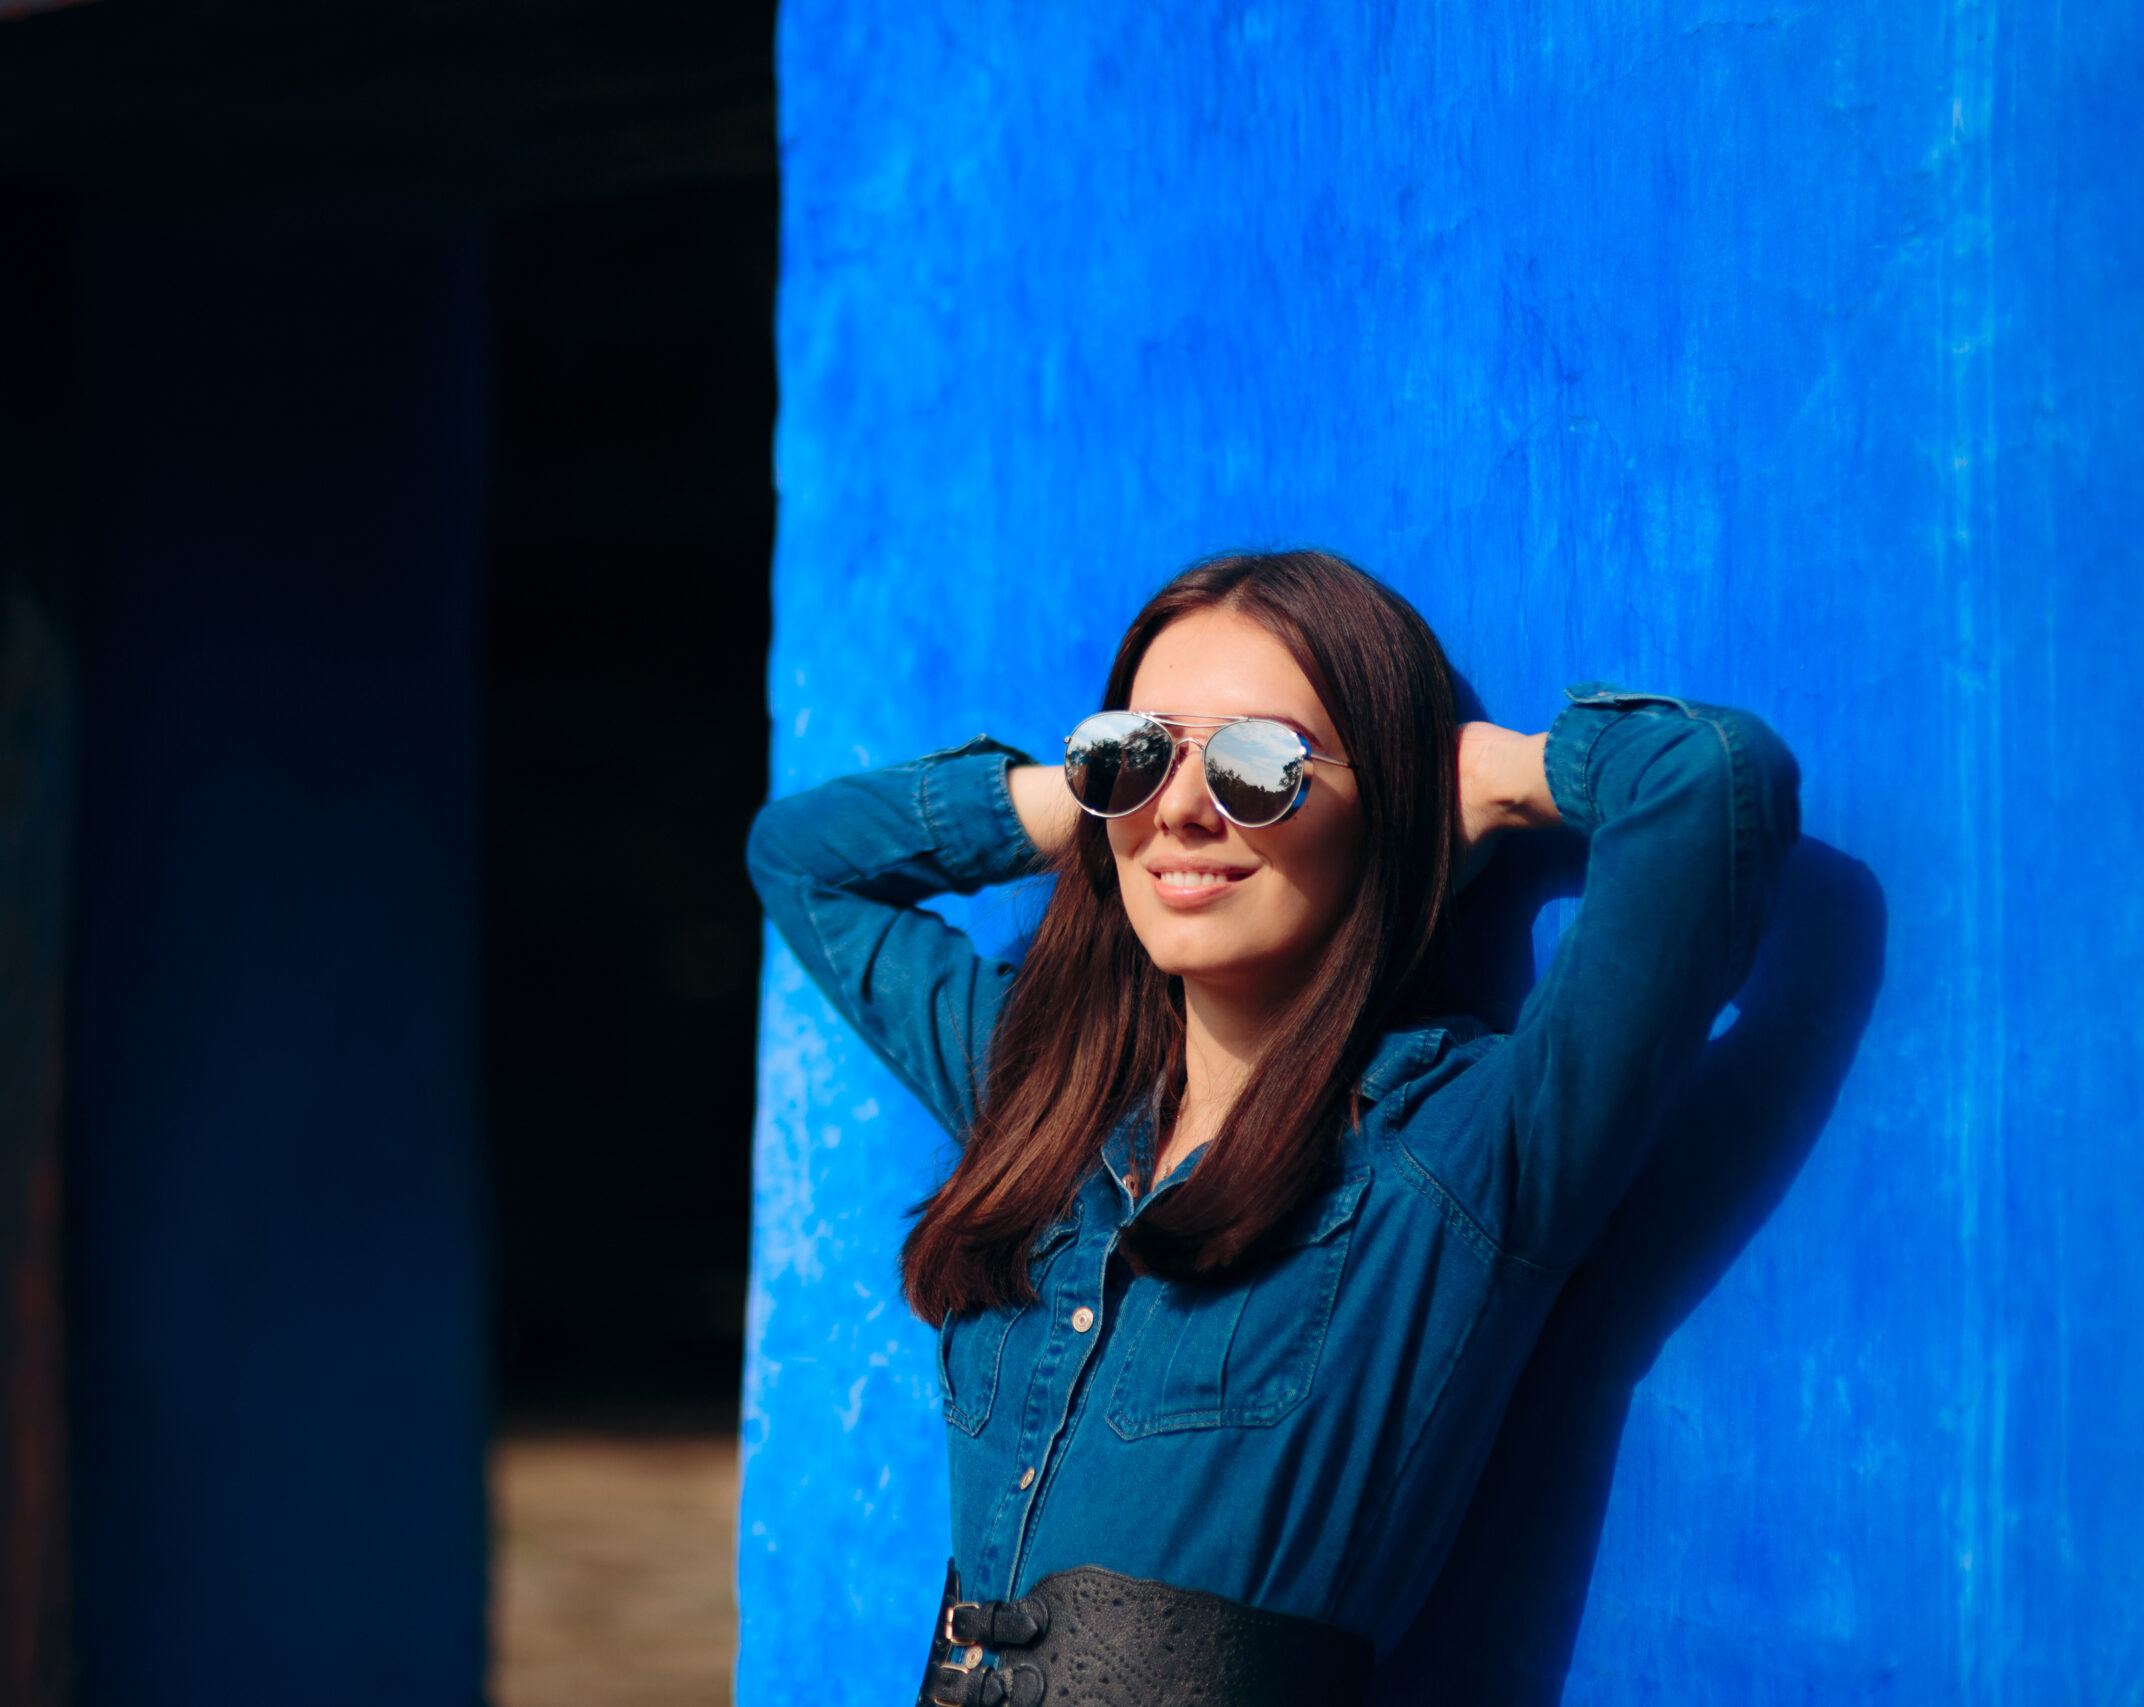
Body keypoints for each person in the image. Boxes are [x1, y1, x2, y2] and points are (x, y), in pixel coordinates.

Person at [744, 549, 1799, 1704]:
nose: (1188, 807)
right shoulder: (1040, 1100)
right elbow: (799, 859)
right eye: (1136, 751)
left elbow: (1705, 781)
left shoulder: (1460, 1151)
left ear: (1384, 807)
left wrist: (1479, 780)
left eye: (1261, 764)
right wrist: (1099, 808)